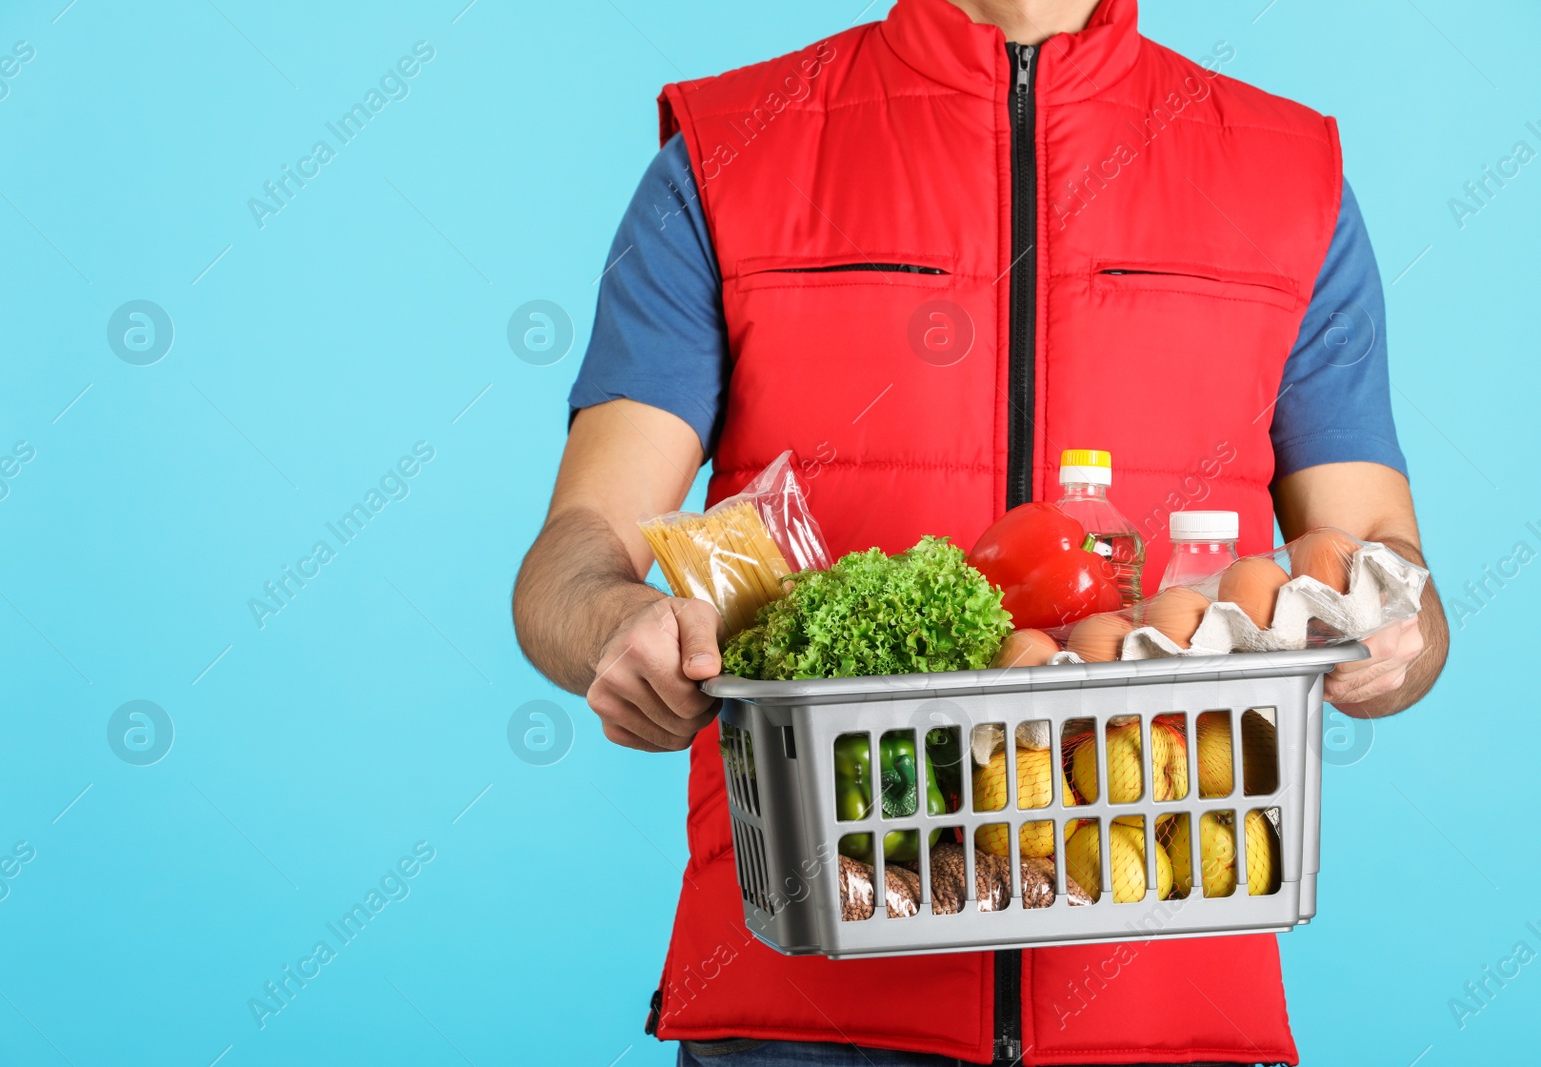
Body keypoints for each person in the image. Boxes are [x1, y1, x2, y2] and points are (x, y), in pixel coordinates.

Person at [513, 0, 1449, 1062]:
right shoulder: (730, 153)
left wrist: (1387, 636)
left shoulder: (1288, 175)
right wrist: (613, 620)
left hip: (1170, 1001)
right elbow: (574, 547)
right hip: (803, 1003)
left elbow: (1382, 557)